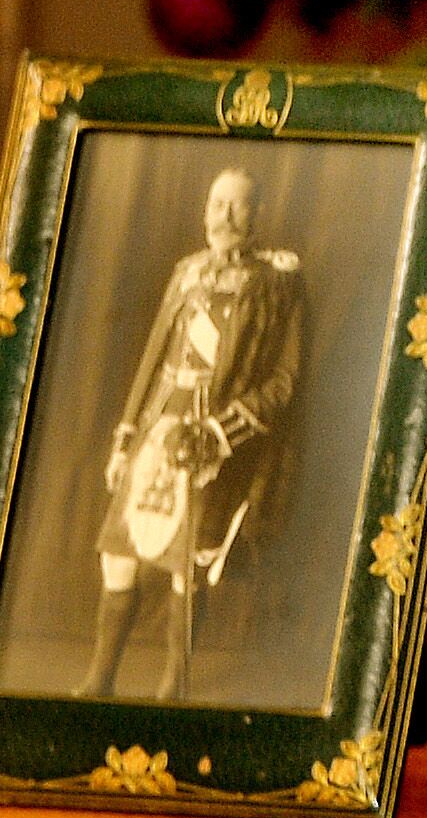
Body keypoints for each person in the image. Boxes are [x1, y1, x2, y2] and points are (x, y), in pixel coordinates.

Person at [80, 168, 302, 701]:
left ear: (258, 215)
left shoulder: (276, 284)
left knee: (187, 567)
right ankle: (100, 679)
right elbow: (153, 358)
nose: (222, 216)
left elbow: (284, 380)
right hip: (161, 427)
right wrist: (126, 438)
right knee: (120, 552)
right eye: (215, 203)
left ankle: (171, 686)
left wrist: (221, 433)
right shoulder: (186, 273)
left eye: (236, 206)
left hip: (214, 439)